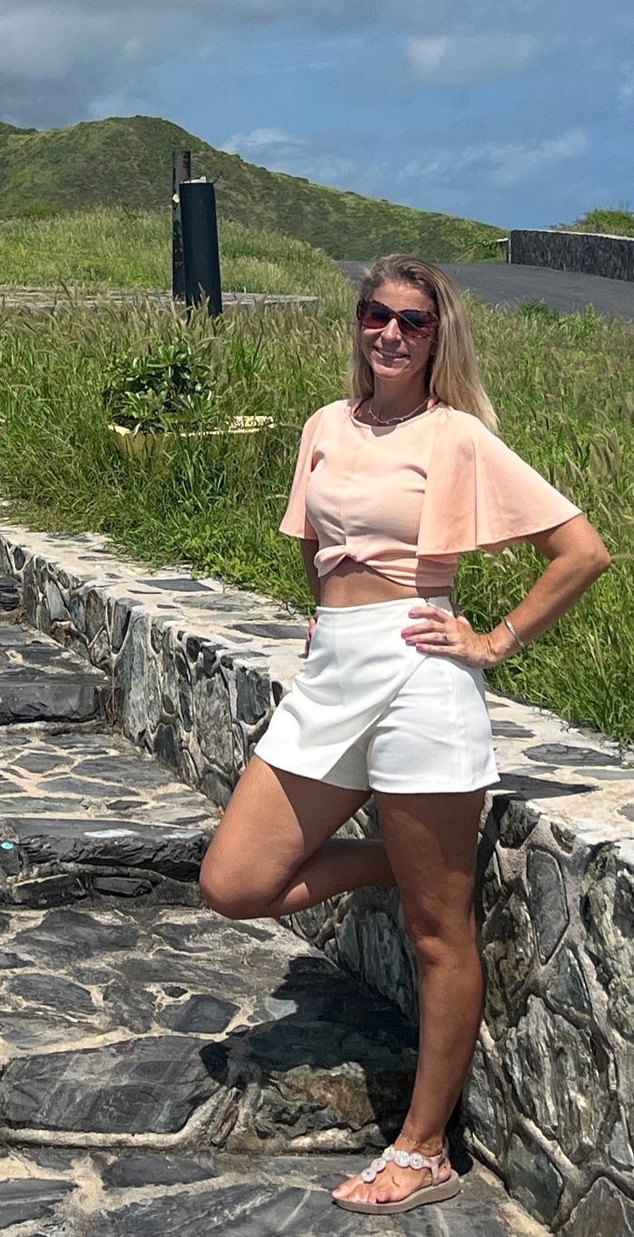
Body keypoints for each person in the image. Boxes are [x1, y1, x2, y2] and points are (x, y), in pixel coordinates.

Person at [198, 254, 610, 1215]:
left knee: (439, 933)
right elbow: (313, 543)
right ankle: (403, 857)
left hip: (421, 673)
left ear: (438, 336)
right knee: (234, 881)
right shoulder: (323, 427)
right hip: (332, 668)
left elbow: (579, 550)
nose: (388, 332)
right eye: (373, 313)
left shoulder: (455, 434)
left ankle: (424, 1150)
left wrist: (493, 638)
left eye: (411, 321)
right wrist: (325, 618)